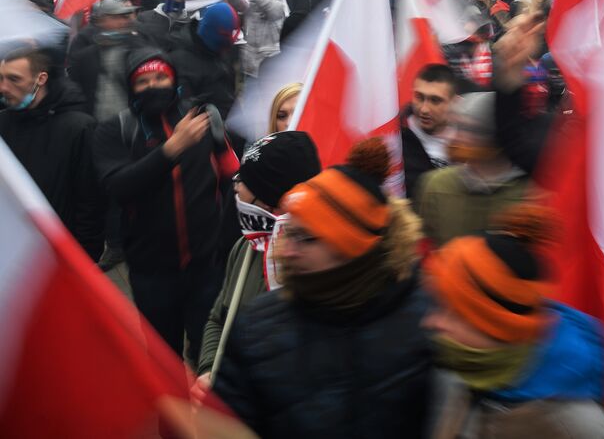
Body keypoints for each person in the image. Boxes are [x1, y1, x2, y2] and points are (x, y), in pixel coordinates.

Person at [214, 139, 434, 439]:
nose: (287, 251)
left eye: (307, 238)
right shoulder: (257, 328)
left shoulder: (427, 323)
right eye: (289, 233)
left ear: (351, 251)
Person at [91, 48, 239, 360]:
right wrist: (171, 150)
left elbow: (231, 176)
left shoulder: (200, 119)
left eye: (160, 77)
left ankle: (207, 406)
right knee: (163, 358)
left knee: (209, 353)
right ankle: (172, 410)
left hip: (207, 267)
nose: (153, 86)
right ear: (130, 87)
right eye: (142, 81)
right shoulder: (114, 130)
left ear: (174, 80)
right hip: (152, 273)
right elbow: (117, 187)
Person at [422, 205, 604, 437]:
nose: (431, 322)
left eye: (455, 314)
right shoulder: (470, 369)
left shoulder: (576, 425)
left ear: (498, 328)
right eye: (438, 307)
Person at [196, 130, 321, 382]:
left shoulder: (319, 268)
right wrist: (209, 368)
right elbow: (218, 318)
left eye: (245, 180)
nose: (236, 185)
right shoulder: (246, 247)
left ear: (271, 200)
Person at [0, 46, 105, 260]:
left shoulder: (78, 128)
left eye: (14, 79)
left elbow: (89, 198)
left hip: (60, 250)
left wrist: (86, 254)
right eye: (0, 78)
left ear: (41, 78)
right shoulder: (3, 123)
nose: (3, 87)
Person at [416, 92, 529, 246]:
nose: (457, 137)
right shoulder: (436, 185)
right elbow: (424, 248)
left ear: (495, 135)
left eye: (469, 129)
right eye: (456, 126)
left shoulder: (529, 193)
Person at [66, 0, 145, 122]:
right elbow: (74, 90)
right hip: (96, 125)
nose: (125, 21)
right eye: (118, 17)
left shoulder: (140, 45)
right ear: (102, 20)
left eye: (126, 16)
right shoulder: (85, 53)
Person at [168, 0, 241, 118]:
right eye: (227, 36)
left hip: (230, 121)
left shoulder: (218, 51)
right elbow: (184, 111)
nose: (231, 42)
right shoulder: (180, 62)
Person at [400, 63, 462, 201]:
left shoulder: (470, 137)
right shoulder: (396, 136)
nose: (424, 109)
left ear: (455, 102)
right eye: (419, 97)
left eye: (435, 100)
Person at [226, 0, 287, 78]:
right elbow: (234, 0)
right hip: (250, 63)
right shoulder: (251, 5)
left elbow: (263, 1)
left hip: (269, 62)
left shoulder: (277, 6)